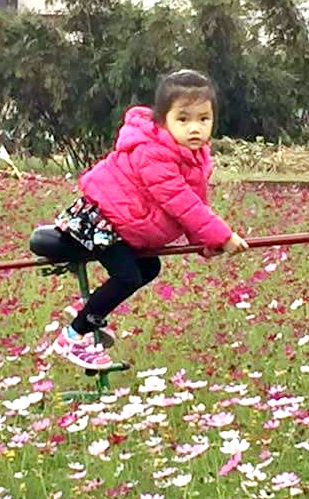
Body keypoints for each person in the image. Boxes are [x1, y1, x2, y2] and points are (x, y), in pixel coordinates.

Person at [49, 69, 249, 370]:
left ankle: (89, 310)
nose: (194, 128)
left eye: (203, 119)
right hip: (99, 218)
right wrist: (222, 235)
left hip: (121, 223)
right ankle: (72, 336)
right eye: (183, 119)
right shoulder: (153, 154)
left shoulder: (194, 155)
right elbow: (179, 200)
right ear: (162, 120)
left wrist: (203, 241)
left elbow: (195, 201)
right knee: (127, 276)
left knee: (149, 266)